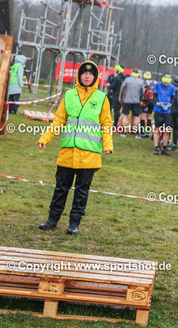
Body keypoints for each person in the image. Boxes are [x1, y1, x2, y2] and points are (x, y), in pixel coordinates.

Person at [37, 61, 113, 235]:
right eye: (84, 73)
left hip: (89, 154)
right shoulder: (69, 95)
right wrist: (45, 138)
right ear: (79, 76)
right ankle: (52, 219)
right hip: (68, 153)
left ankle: (74, 223)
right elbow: (58, 120)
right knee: (60, 188)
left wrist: (108, 144)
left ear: (95, 77)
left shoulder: (102, 98)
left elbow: (106, 124)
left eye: (91, 74)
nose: (87, 76)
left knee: (81, 191)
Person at [152, 74, 176, 155]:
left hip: (167, 112)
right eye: (165, 81)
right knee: (157, 129)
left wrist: (170, 104)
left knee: (167, 130)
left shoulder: (172, 87)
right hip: (158, 111)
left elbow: (173, 98)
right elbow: (154, 96)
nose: (166, 83)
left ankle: (164, 147)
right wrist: (157, 103)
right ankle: (156, 147)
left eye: (168, 81)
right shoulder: (157, 85)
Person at [118, 69, 144, 137]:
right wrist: (141, 99)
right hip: (136, 101)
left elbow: (123, 89)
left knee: (125, 115)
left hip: (127, 100)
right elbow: (142, 92)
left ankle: (123, 132)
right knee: (136, 117)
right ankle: (137, 133)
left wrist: (121, 98)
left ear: (132, 73)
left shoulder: (127, 79)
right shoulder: (140, 81)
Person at [140, 71, 156, 138]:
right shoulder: (154, 82)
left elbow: (142, 92)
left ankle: (142, 132)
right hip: (152, 101)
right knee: (149, 117)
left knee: (143, 117)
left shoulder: (144, 83)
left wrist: (141, 100)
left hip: (146, 101)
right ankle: (148, 132)